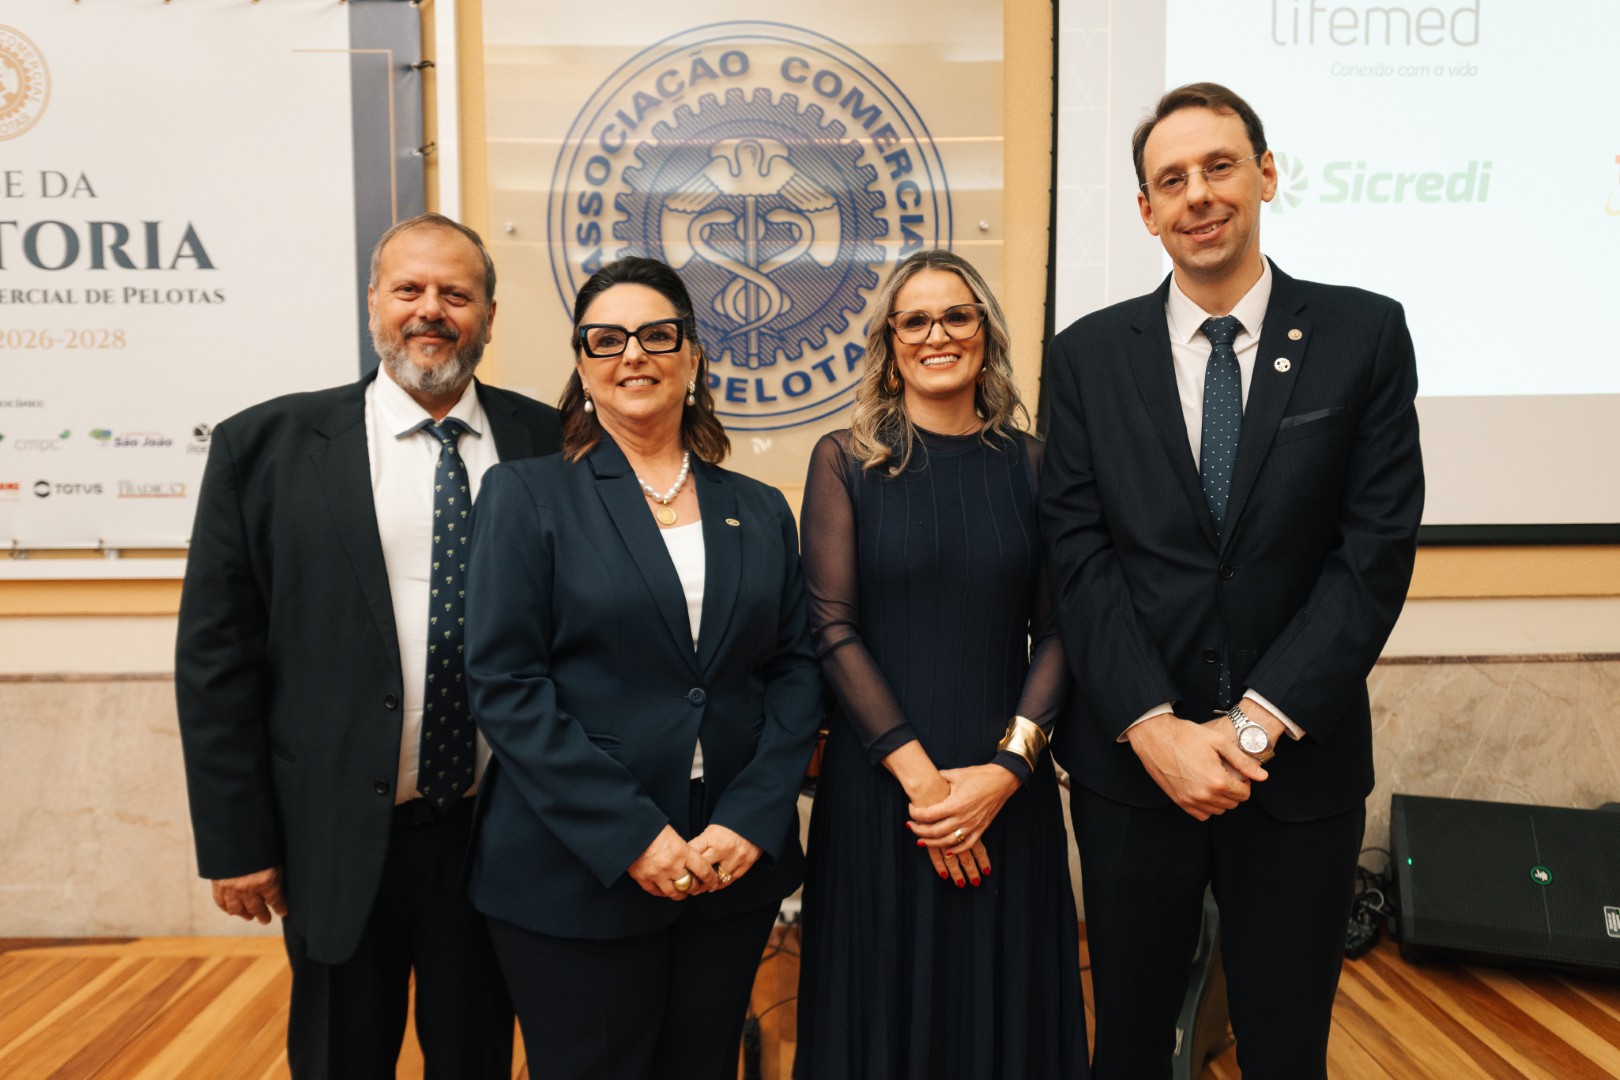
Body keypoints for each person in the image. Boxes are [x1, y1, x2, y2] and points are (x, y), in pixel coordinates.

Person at [1039, 82, 1424, 1079]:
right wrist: (1156, 730)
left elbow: (1373, 552)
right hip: (1135, 775)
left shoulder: (1363, 334)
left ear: (1266, 175)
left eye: (1219, 167)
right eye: (1172, 180)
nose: (1199, 194)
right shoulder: (1085, 358)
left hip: (1298, 772)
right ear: (1146, 211)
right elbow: (1077, 554)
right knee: (1128, 1044)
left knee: (1287, 1049)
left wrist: (1252, 728)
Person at [175, 213, 561, 1078]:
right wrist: (237, 841)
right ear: (373, 303)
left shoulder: (553, 445)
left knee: (477, 1058)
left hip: (499, 831)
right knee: (338, 1059)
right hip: (334, 835)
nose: (431, 310)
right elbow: (216, 661)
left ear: (489, 315)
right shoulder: (263, 448)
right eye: (409, 289)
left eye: (456, 293)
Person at [461, 255, 821, 1080]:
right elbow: (508, 687)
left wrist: (750, 818)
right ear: (583, 365)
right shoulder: (525, 495)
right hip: (574, 870)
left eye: (658, 335)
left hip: (728, 866)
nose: (633, 354)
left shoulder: (759, 507)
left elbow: (796, 671)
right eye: (607, 339)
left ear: (692, 357)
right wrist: (633, 836)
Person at [795, 249, 1088, 1080]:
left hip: (1005, 795)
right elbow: (831, 627)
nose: (938, 335)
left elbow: (1061, 631)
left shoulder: (1035, 464)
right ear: (890, 345)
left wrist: (1006, 771)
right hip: (884, 792)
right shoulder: (843, 460)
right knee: (880, 1009)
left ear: (985, 334)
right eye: (915, 321)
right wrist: (927, 788)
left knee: (1004, 1011)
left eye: (957, 316)